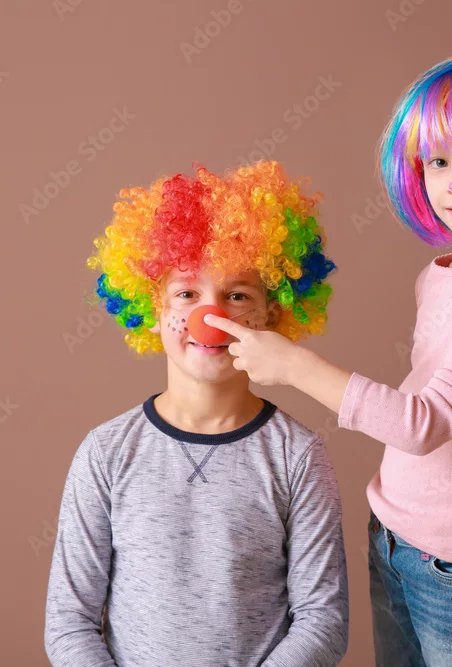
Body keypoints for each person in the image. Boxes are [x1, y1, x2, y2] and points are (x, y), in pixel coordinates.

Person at [205, 49, 452, 666]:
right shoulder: (441, 274)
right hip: (394, 537)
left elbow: (423, 424)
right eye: (438, 161)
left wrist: (294, 366)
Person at [44, 161, 348, 667]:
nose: (211, 318)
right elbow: (68, 622)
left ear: (272, 313)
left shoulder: (297, 456)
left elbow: (323, 622)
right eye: (187, 294)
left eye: (237, 295)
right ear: (151, 310)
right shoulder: (106, 453)